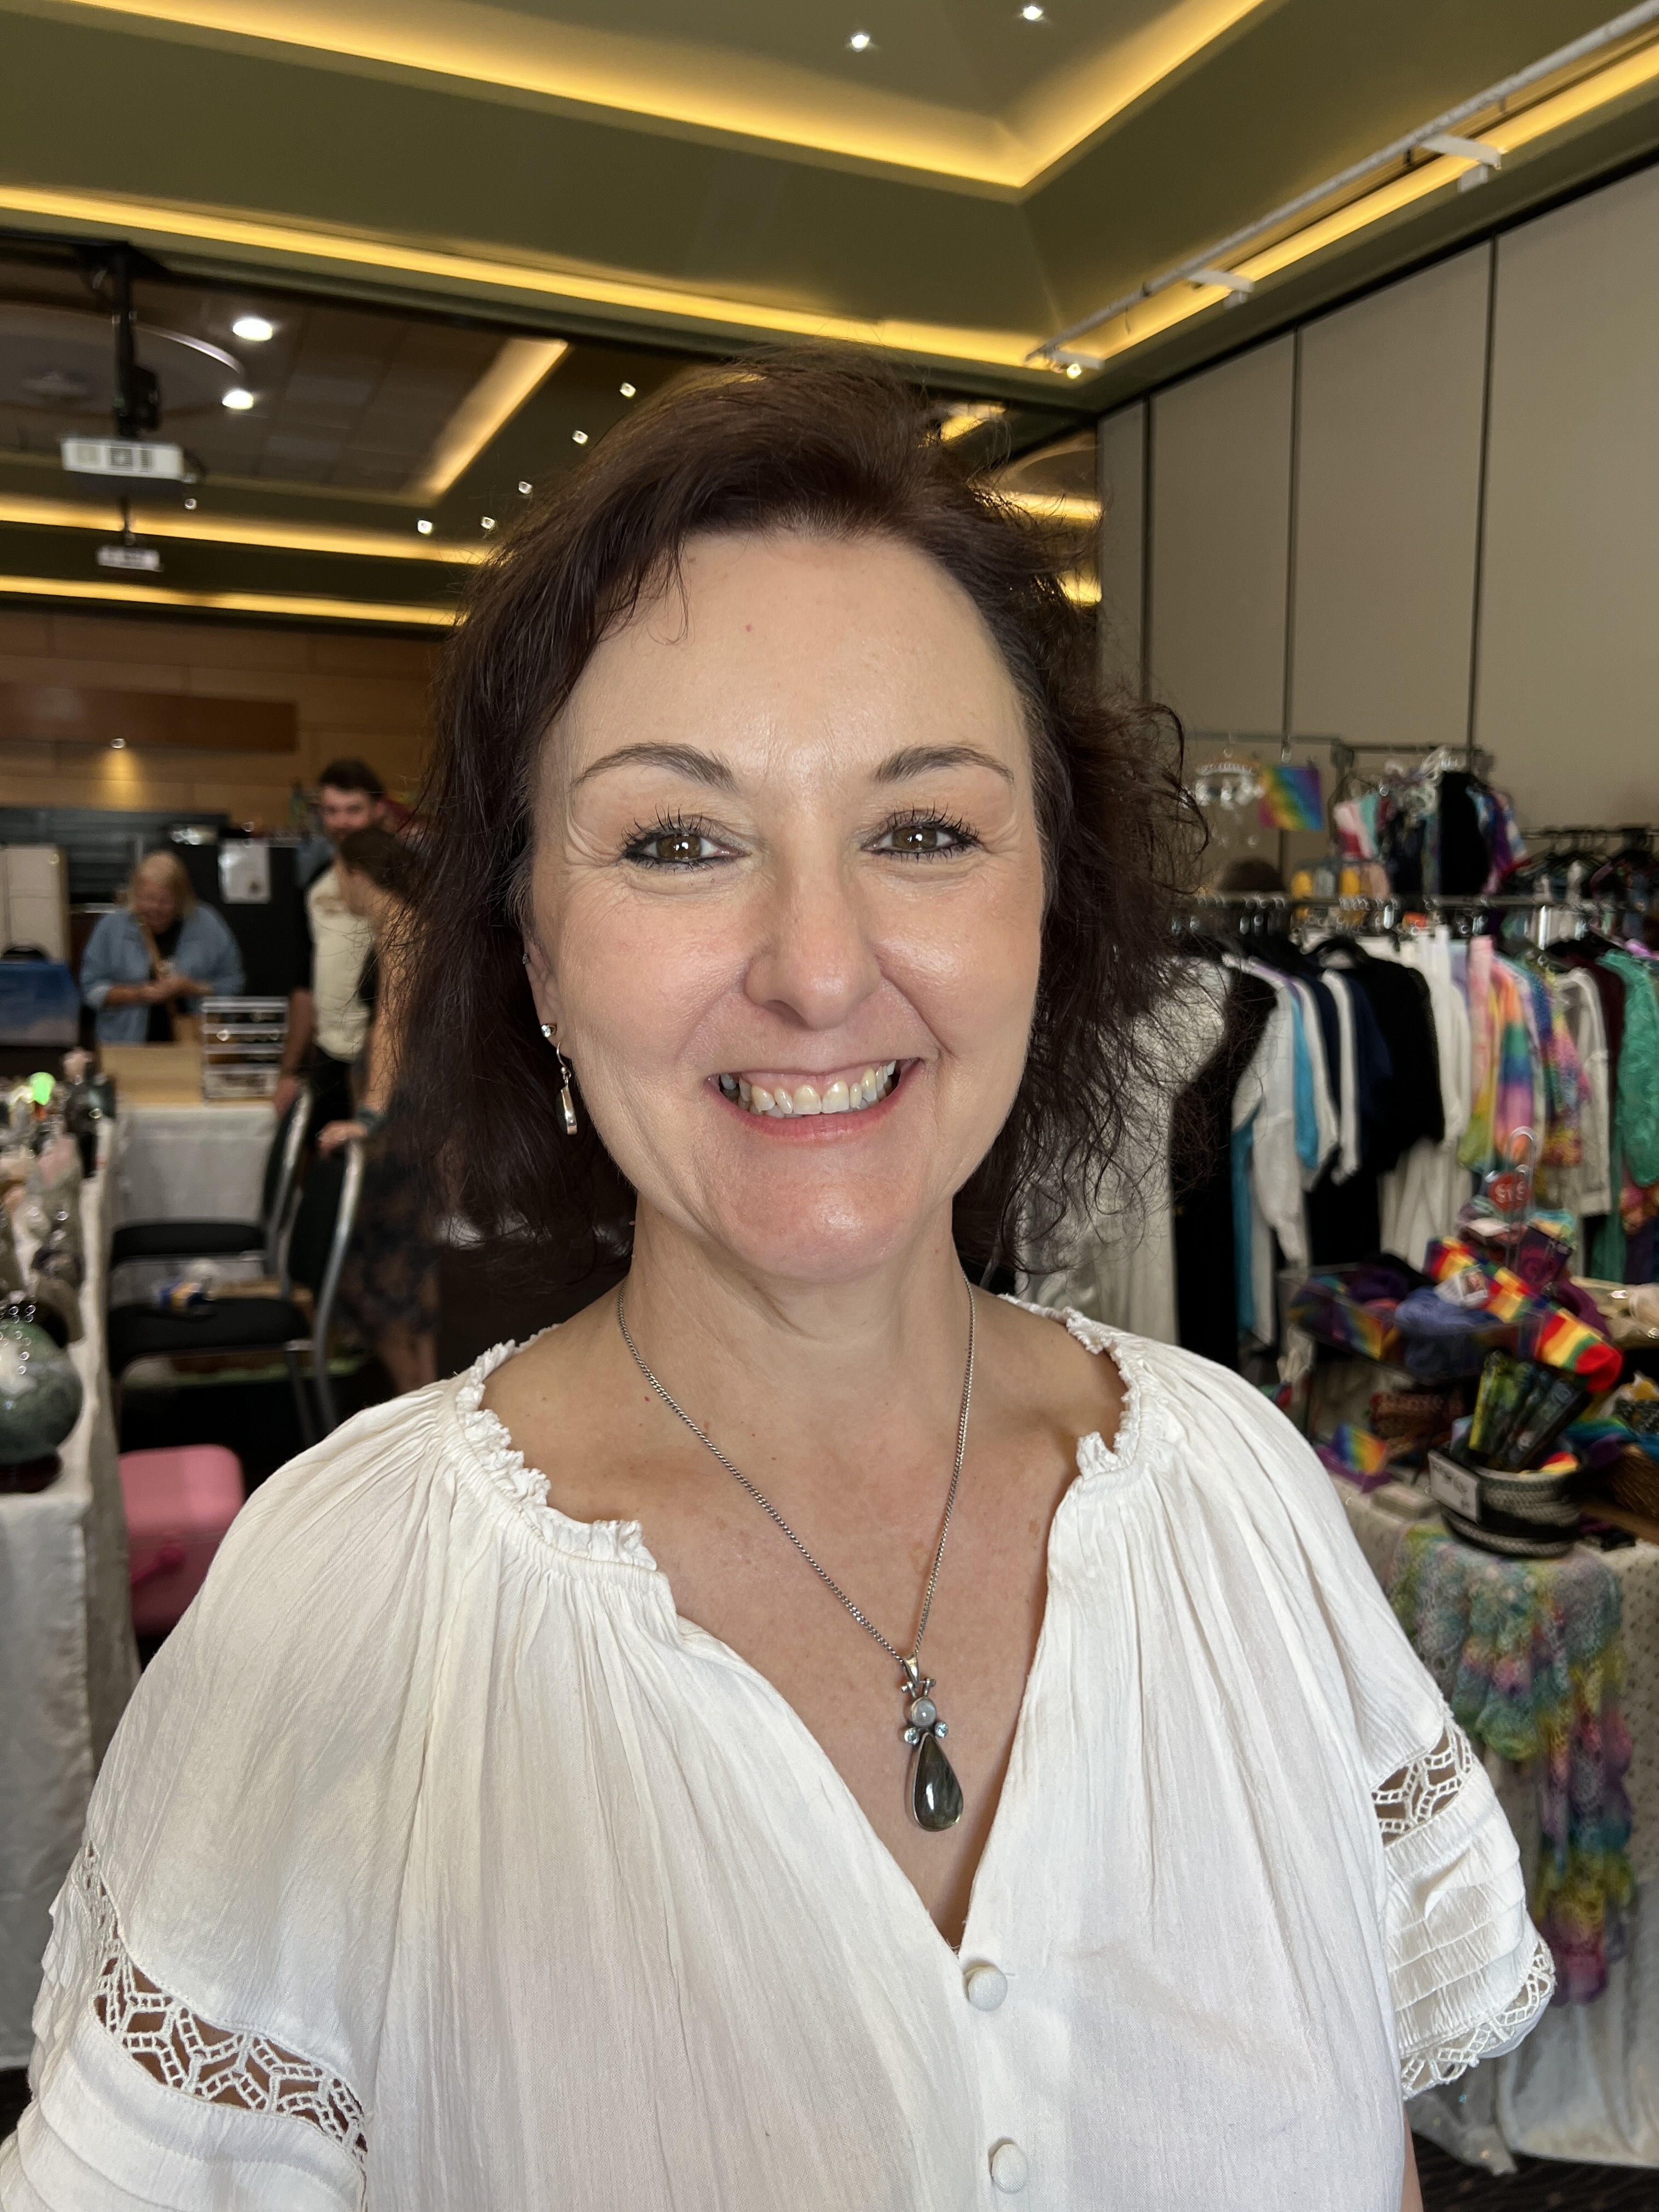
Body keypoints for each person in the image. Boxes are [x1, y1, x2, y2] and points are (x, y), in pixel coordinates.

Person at [1, 357, 1548, 2212]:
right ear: (536, 951)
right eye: (679, 841)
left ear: (1048, 910)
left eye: (923, 831)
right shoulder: (344, 1620)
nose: (817, 969)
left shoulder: (1243, 1508)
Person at [315, 825, 437, 1395]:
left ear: (357, 874)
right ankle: (425, 1396)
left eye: (339, 875)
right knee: (411, 1261)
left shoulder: (402, 928)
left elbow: (391, 1028)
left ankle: (414, 1398)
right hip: (415, 1116)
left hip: (400, 1123)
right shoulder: (419, 925)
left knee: (372, 1273)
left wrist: (367, 1117)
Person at [273, 758, 388, 1130]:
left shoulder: (406, 880)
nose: (341, 822)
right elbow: (305, 985)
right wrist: (290, 1071)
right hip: (328, 1055)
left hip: (384, 1058)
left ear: (378, 810)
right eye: (332, 811)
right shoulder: (315, 883)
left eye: (353, 810)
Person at [77, 850, 243, 1046]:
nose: (154, 908)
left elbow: (233, 985)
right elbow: (90, 989)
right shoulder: (111, 928)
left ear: (181, 898)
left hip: (194, 1042)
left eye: (165, 901)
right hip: (124, 1044)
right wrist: (138, 994)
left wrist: (190, 987)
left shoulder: (207, 925)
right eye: (147, 899)